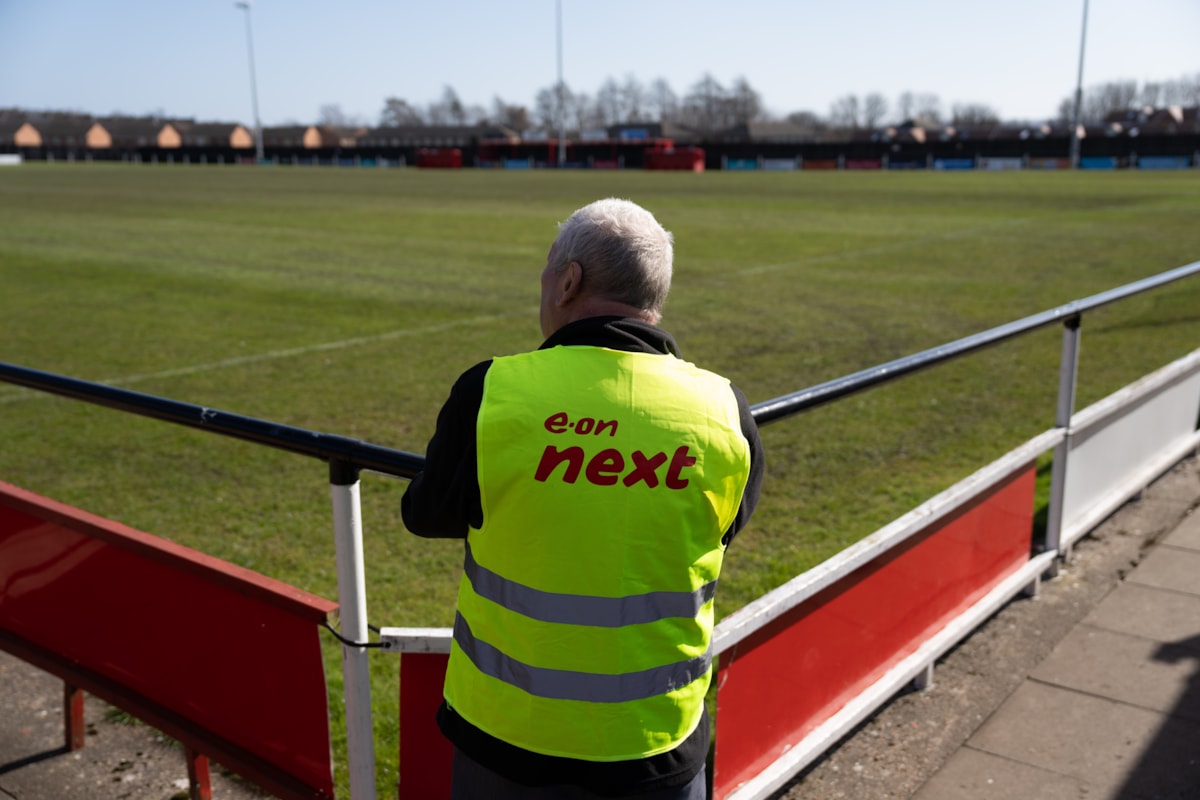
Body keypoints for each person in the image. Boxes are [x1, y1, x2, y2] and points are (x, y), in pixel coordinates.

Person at [402, 198, 764, 799]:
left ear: (568, 281)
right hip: (656, 744)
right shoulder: (726, 411)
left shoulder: (491, 392)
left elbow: (426, 513)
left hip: (506, 739)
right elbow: (722, 527)